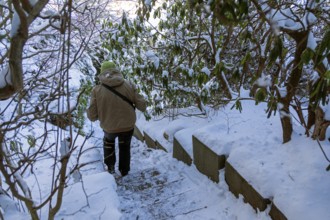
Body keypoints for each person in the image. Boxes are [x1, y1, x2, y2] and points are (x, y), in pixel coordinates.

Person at [87, 61, 147, 176]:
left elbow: (92, 115)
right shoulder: (128, 84)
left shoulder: (96, 90)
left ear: (101, 73)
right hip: (127, 125)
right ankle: (124, 170)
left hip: (109, 126)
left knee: (108, 143)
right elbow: (142, 106)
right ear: (116, 70)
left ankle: (110, 168)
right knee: (125, 146)